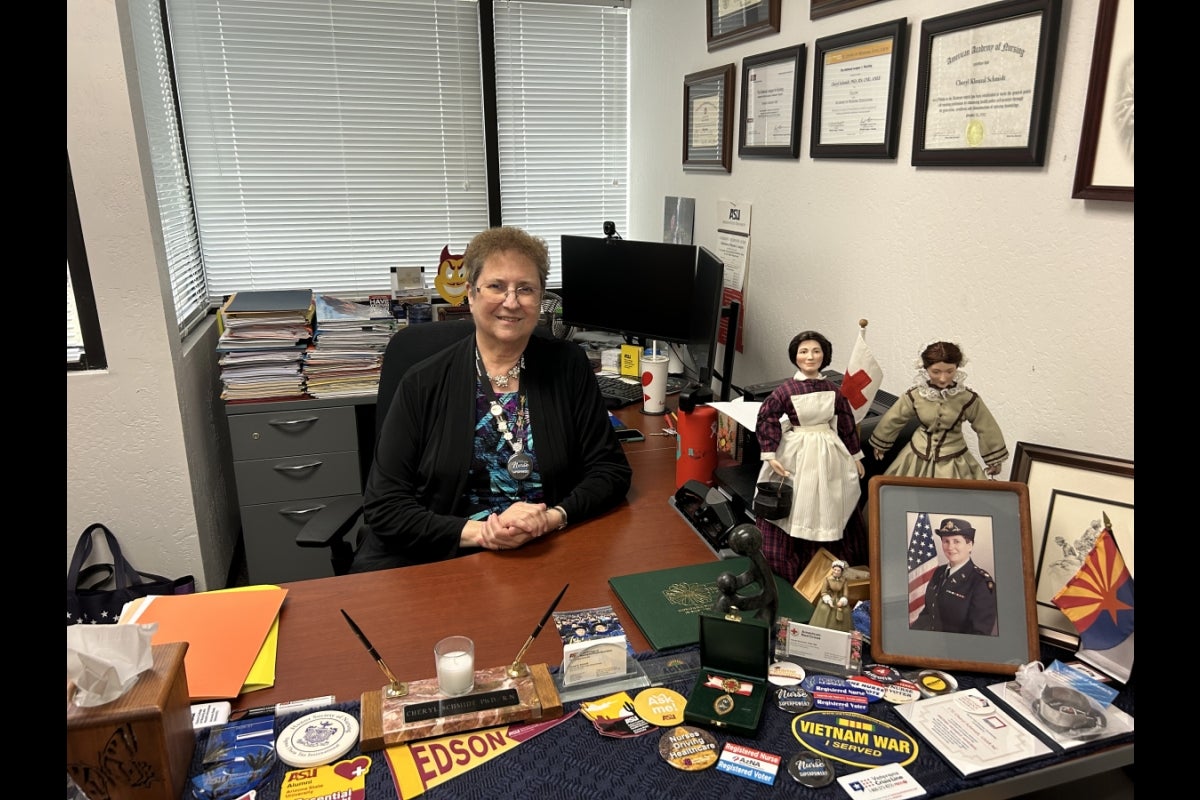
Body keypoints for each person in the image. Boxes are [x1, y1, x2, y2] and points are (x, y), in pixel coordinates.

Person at [350, 226, 632, 572]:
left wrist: (554, 518)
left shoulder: (568, 366)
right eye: (496, 286)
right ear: (471, 294)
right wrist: (482, 533)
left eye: (525, 289)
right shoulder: (422, 382)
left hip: (549, 553)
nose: (511, 302)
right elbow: (384, 506)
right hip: (446, 559)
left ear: (541, 298)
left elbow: (610, 471)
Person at [753, 331, 866, 583]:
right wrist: (770, 453)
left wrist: (855, 455)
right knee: (797, 502)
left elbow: (846, 422)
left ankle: (830, 562)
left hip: (828, 450)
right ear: (795, 355)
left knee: (831, 499)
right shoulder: (786, 389)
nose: (810, 356)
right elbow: (767, 415)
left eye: (816, 351)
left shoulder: (833, 390)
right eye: (804, 351)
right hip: (797, 451)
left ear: (824, 355)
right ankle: (792, 563)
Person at [869, 341, 1007, 479]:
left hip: (954, 459)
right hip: (917, 455)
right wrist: (881, 443)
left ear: (957, 368)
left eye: (949, 371)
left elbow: (986, 426)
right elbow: (895, 418)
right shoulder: (916, 395)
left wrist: (994, 459)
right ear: (926, 369)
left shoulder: (967, 398)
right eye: (936, 372)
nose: (943, 378)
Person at [912, 518, 997, 635]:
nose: (950, 547)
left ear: (970, 545)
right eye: (946, 541)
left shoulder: (981, 583)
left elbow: (979, 634)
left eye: (956, 541)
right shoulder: (939, 572)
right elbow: (927, 614)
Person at [807, 560, 853, 632]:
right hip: (829, 599)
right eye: (835, 570)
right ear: (833, 570)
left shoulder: (844, 581)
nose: (836, 572)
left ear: (841, 571)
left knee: (845, 612)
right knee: (824, 609)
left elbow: (845, 594)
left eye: (838, 570)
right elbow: (824, 592)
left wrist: (842, 601)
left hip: (839, 599)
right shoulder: (827, 579)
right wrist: (828, 600)